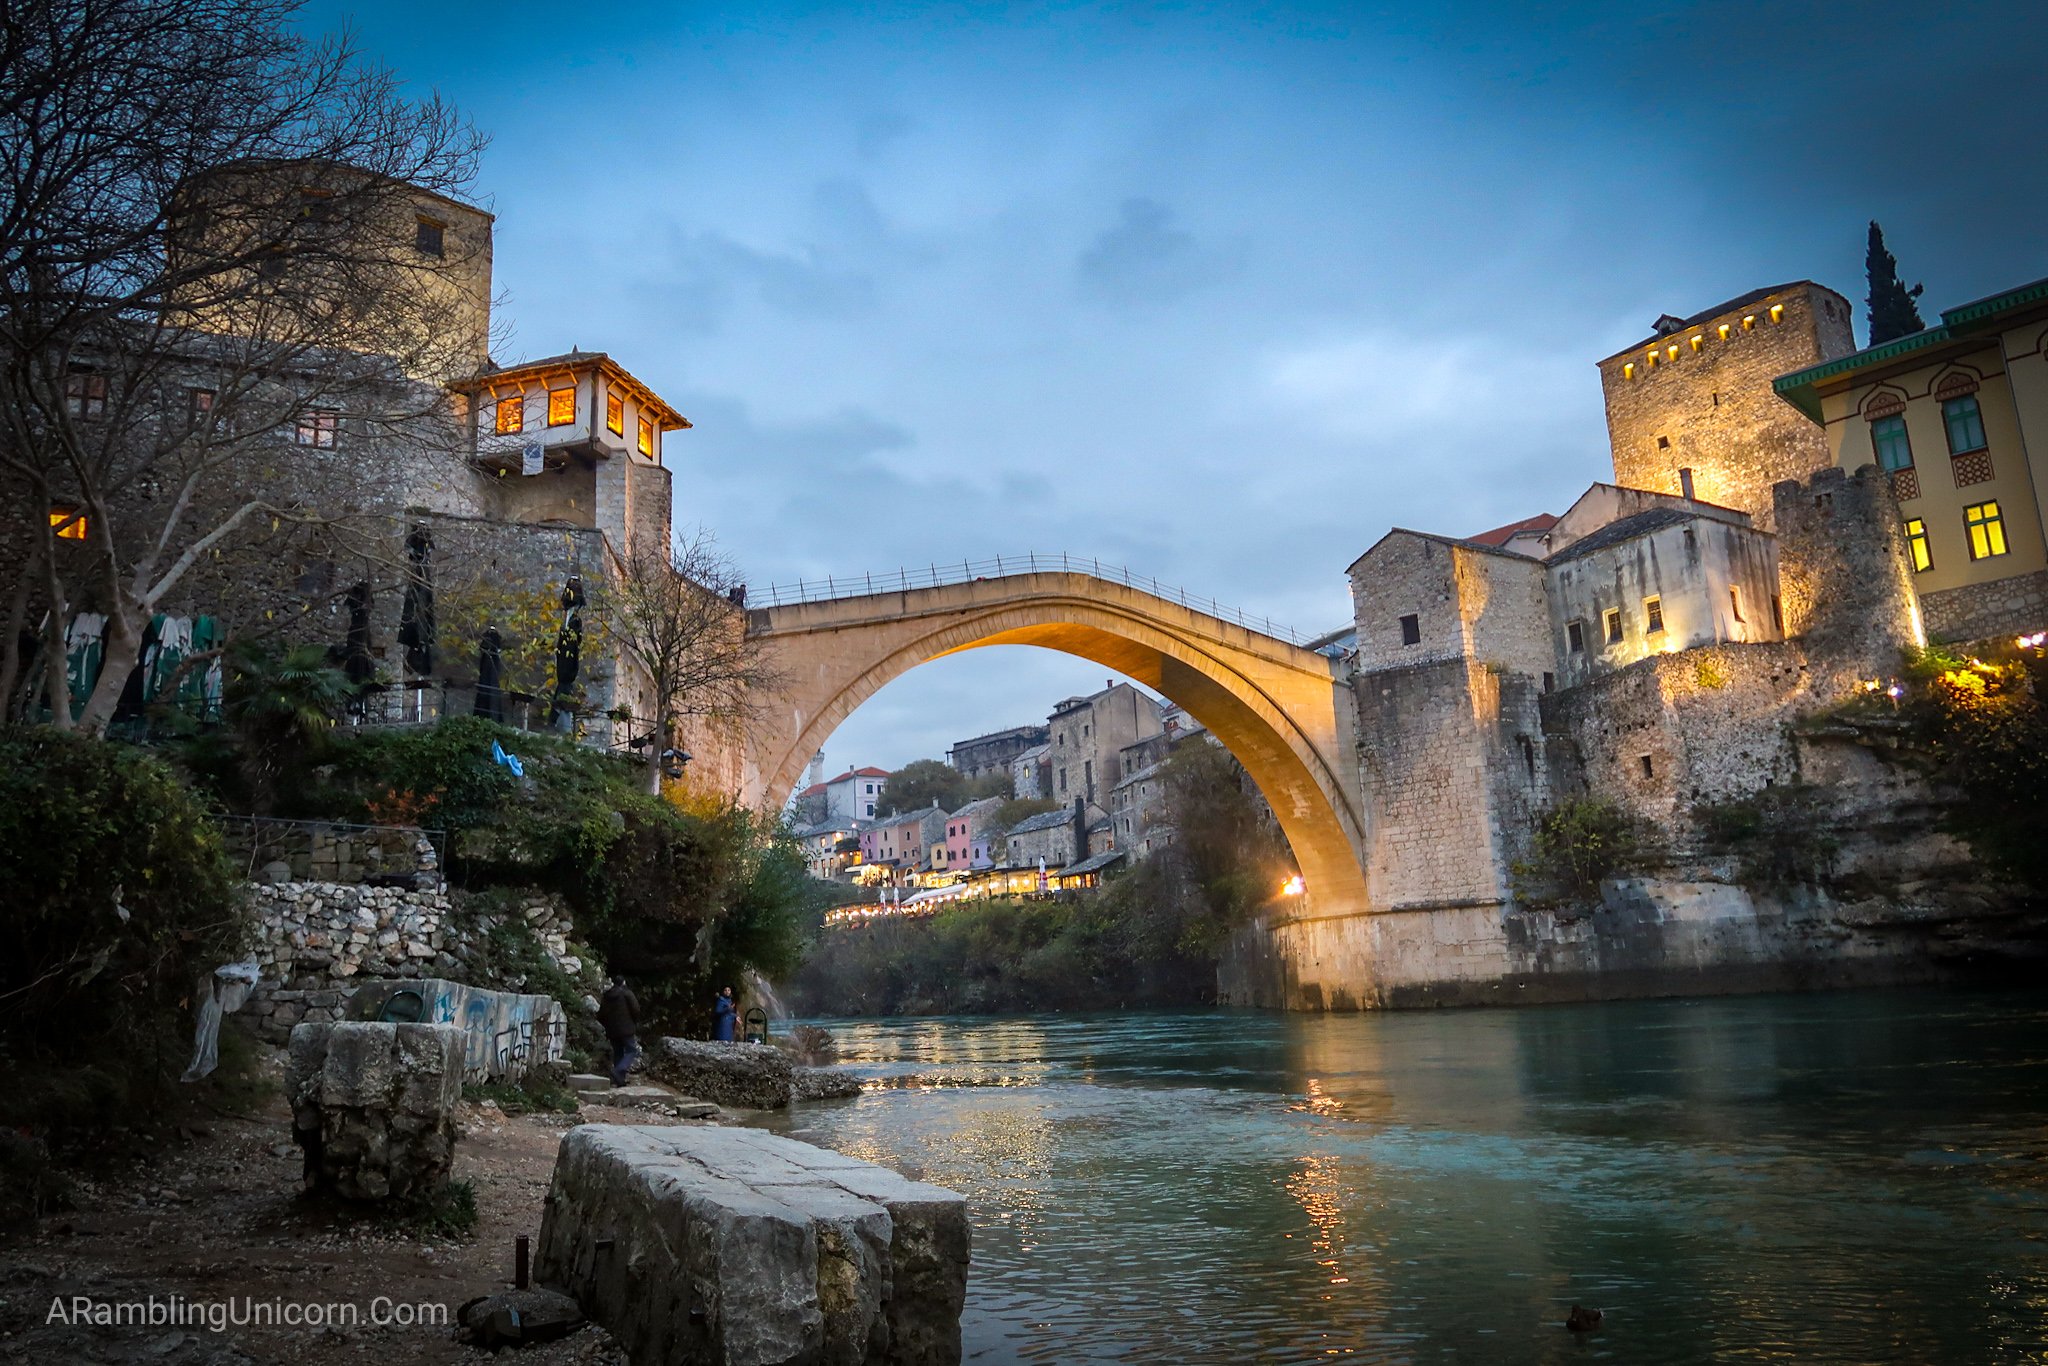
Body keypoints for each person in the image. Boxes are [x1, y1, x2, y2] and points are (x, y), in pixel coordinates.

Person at [598, 975, 640, 1087]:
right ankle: (618, 1070)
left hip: (612, 1030)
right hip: (626, 1028)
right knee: (631, 1050)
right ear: (623, 982)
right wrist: (633, 1022)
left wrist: (608, 1025)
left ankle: (619, 1080)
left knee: (618, 1052)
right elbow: (636, 1009)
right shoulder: (627, 994)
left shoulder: (606, 996)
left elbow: (601, 1014)